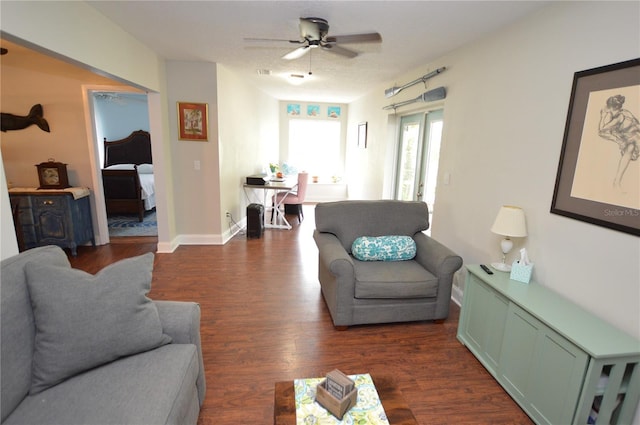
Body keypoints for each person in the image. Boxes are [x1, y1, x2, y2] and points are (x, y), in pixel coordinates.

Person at [598, 94, 640, 190]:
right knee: (630, 147)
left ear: (609, 107)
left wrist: (602, 117)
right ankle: (616, 182)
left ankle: (616, 182)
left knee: (630, 147)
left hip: (635, 140)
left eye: (606, 105)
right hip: (635, 139)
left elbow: (601, 131)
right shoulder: (625, 112)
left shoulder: (618, 118)